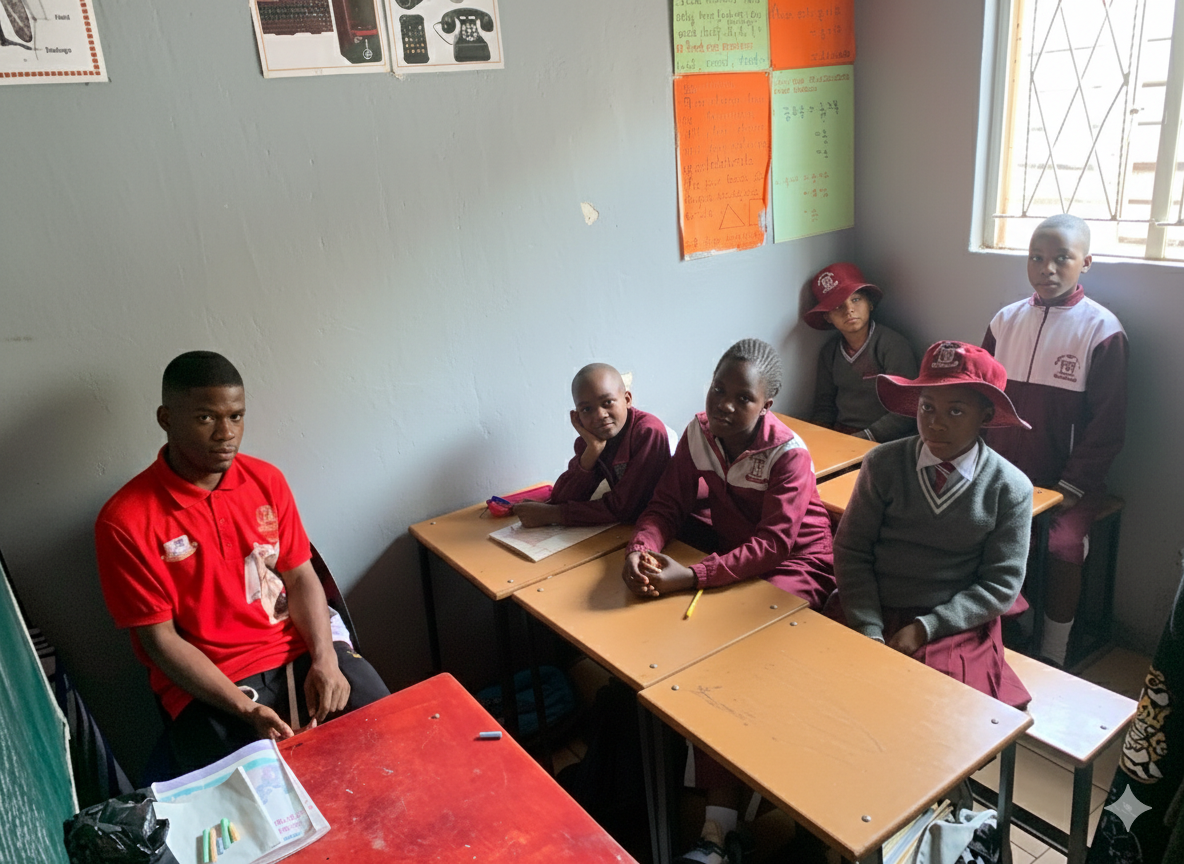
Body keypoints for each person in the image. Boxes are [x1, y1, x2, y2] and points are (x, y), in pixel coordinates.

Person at [95, 351, 389, 776]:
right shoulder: (125, 520)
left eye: (236, 416)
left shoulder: (266, 481)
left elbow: (301, 576)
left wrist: (326, 660)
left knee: (391, 738)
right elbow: (161, 642)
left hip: (298, 651)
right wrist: (245, 710)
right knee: (259, 807)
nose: (226, 434)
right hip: (213, 687)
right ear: (165, 418)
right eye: (205, 418)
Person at [620, 338, 836, 864]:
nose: (725, 404)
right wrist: (641, 547)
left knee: (727, 660)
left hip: (795, 569)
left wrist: (693, 575)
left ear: (768, 404)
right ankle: (721, 825)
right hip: (737, 559)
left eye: (743, 398)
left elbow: (776, 544)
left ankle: (724, 825)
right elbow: (667, 504)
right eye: (719, 388)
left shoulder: (788, 454)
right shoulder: (700, 432)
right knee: (698, 653)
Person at [833, 340, 1033, 709]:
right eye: (927, 407)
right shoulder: (883, 464)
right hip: (871, 605)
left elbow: (1001, 584)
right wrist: (868, 628)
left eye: (956, 411)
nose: (936, 423)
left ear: (985, 417)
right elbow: (851, 551)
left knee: (934, 707)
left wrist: (926, 627)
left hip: (953, 622)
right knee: (833, 689)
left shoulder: (1010, 487)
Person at [982, 214, 1128, 667]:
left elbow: (1108, 425)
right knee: (975, 531)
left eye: (1061, 258)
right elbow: (979, 398)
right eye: (1036, 258)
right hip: (1003, 471)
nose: (1047, 268)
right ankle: (999, 635)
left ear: (1085, 262)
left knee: (1062, 547)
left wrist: (1073, 486)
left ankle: (1052, 655)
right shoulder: (1005, 321)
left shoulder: (1102, 330)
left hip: (1064, 481)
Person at [512, 363, 671, 527]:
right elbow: (561, 497)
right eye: (587, 409)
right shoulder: (594, 439)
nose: (599, 415)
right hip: (628, 528)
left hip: (670, 528)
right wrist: (593, 451)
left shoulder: (648, 432)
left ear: (627, 399)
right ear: (577, 416)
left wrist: (554, 514)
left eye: (608, 402)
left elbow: (626, 508)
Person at [806, 262, 919, 442]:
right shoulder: (830, 352)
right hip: (842, 435)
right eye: (837, 306)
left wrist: (864, 438)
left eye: (856, 299)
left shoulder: (892, 345)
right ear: (827, 317)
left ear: (870, 304)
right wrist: (818, 438)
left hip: (886, 439)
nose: (849, 310)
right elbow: (824, 405)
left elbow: (906, 407)